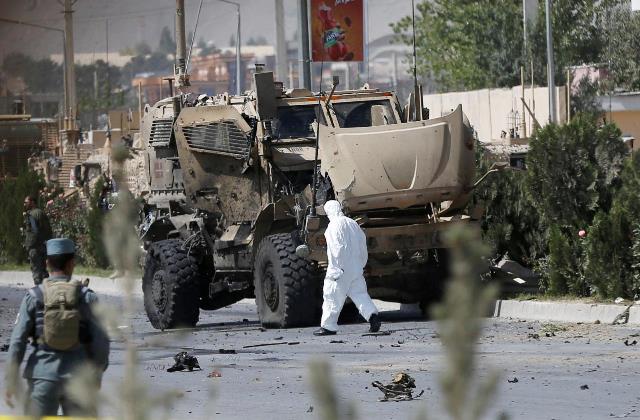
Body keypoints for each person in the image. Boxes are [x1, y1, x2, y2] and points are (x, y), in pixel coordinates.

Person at [4, 238, 110, 417]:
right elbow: (101, 342)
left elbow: (17, 341)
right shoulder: (87, 298)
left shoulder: (34, 296)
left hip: (42, 377)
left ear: (46, 264)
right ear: (72, 264)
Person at [314, 200, 381, 336]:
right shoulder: (353, 223)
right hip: (356, 267)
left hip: (340, 268)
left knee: (331, 296)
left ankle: (328, 327)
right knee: (360, 295)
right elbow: (363, 245)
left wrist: (336, 269)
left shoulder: (333, 226)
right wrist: (361, 264)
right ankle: (373, 317)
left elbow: (336, 249)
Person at [22, 195, 52, 285]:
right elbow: (48, 229)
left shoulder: (31, 215)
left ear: (32, 202)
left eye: (26, 202)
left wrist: (30, 245)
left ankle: (38, 291)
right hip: (43, 245)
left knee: (36, 269)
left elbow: (34, 230)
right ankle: (47, 289)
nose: (24, 204)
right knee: (43, 269)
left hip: (34, 246)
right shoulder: (41, 212)